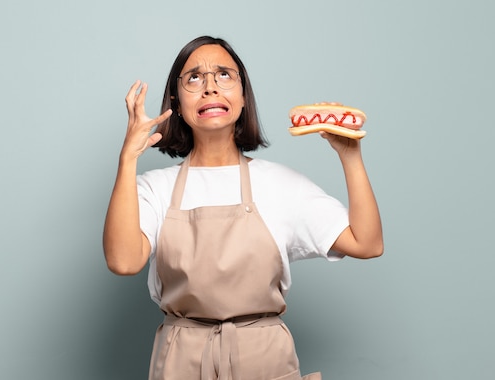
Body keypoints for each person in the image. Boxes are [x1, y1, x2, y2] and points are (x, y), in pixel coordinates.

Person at [103, 35, 383, 380]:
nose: (210, 88)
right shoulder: (154, 188)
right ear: (176, 101)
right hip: (181, 359)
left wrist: (350, 156)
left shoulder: (281, 184)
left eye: (224, 75)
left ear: (243, 96)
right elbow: (123, 261)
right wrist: (127, 159)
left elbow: (367, 243)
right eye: (194, 77)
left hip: (264, 357)